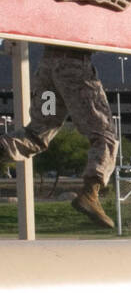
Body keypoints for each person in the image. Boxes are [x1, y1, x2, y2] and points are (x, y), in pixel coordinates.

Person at [0, 44, 117, 229]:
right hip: (74, 66)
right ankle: (90, 193)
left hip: (47, 69)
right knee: (104, 134)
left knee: (38, 132)